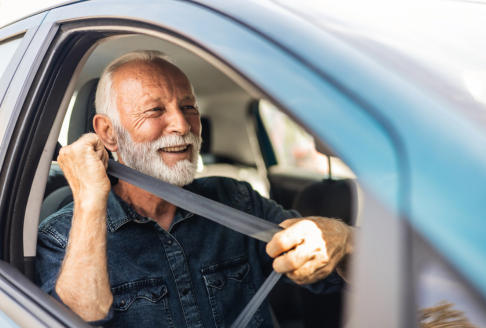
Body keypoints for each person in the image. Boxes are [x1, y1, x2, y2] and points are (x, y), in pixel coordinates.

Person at [36, 50, 354, 328]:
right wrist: (90, 199)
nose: (183, 125)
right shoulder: (61, 236)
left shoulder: (236, 201)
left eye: (189, 107)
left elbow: (329, 272)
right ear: (108, 133)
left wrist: (342, 240)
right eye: (155, 111)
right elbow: (74, 319)